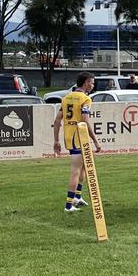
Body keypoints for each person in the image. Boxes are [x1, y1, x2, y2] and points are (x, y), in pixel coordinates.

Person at [53, 72, 102, 212]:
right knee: (75, 170)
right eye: (91, 83)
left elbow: (57, 120)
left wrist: (56, 140)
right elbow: (85, 122)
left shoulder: (67, 97)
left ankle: (78, 197)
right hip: (79, 137)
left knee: (83, 167)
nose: (93, 86)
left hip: (69, 136)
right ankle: (68, 205)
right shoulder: (85, 99)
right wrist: (96, 141)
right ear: (85, 83)